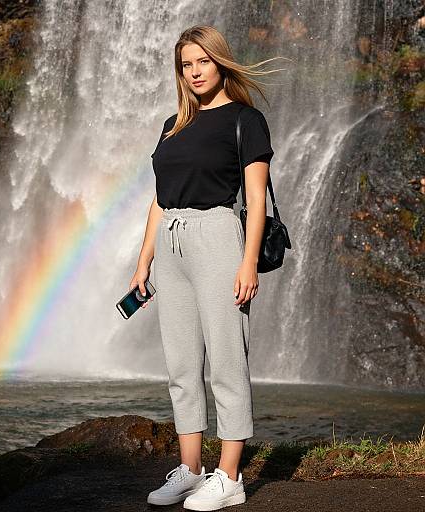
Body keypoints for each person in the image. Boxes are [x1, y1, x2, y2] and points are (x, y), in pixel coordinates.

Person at [129, 24, 284, 511]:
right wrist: (143, 262)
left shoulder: (245, 120)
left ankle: (230, 475)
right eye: (187, 65)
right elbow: (159, 201)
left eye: (203, 62)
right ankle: (191, 470)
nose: (195, 72)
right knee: (180, 365)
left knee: (226, 361)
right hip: (171, 242)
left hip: (218, 237)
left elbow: (255, 201)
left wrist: (247, 264)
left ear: (220, 63)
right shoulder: (171, 125)